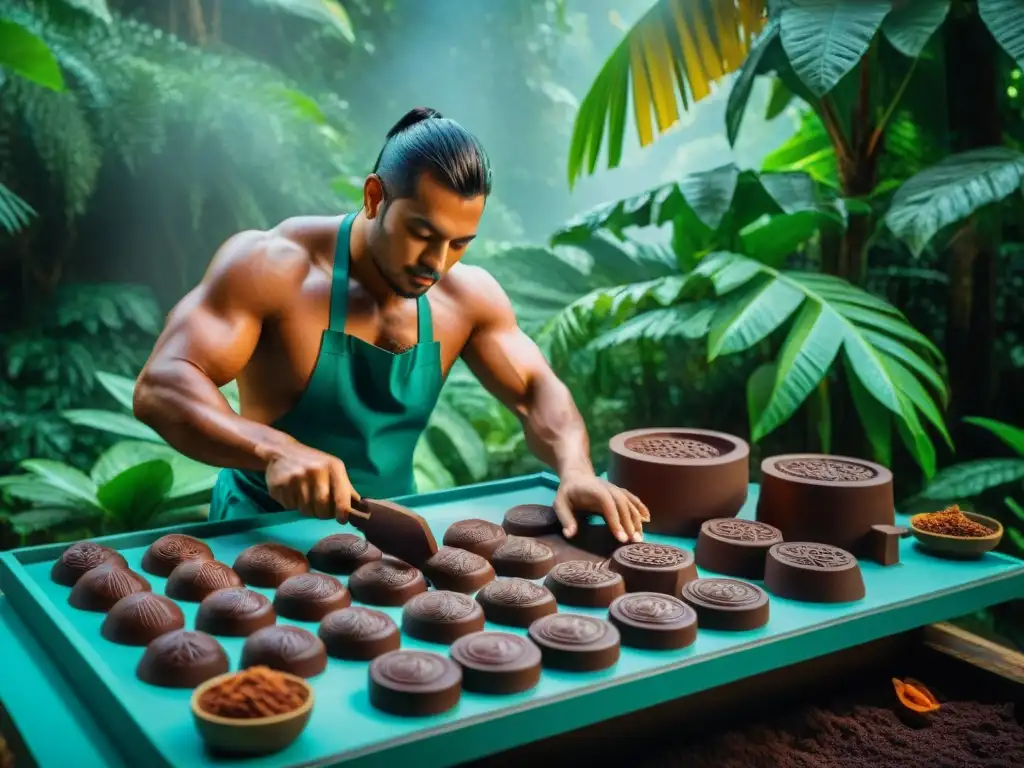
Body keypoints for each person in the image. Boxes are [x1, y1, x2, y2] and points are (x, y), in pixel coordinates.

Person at [134, 107, 649, 543]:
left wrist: (576, 469)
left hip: (392, 537)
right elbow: (163, 386)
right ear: (376, 197)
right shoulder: (272, 267)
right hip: (261, 531)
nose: (437, 261)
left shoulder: (467, 295)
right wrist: (275, 451)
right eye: (421, 233)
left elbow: (537, 390)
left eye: (459, 242)